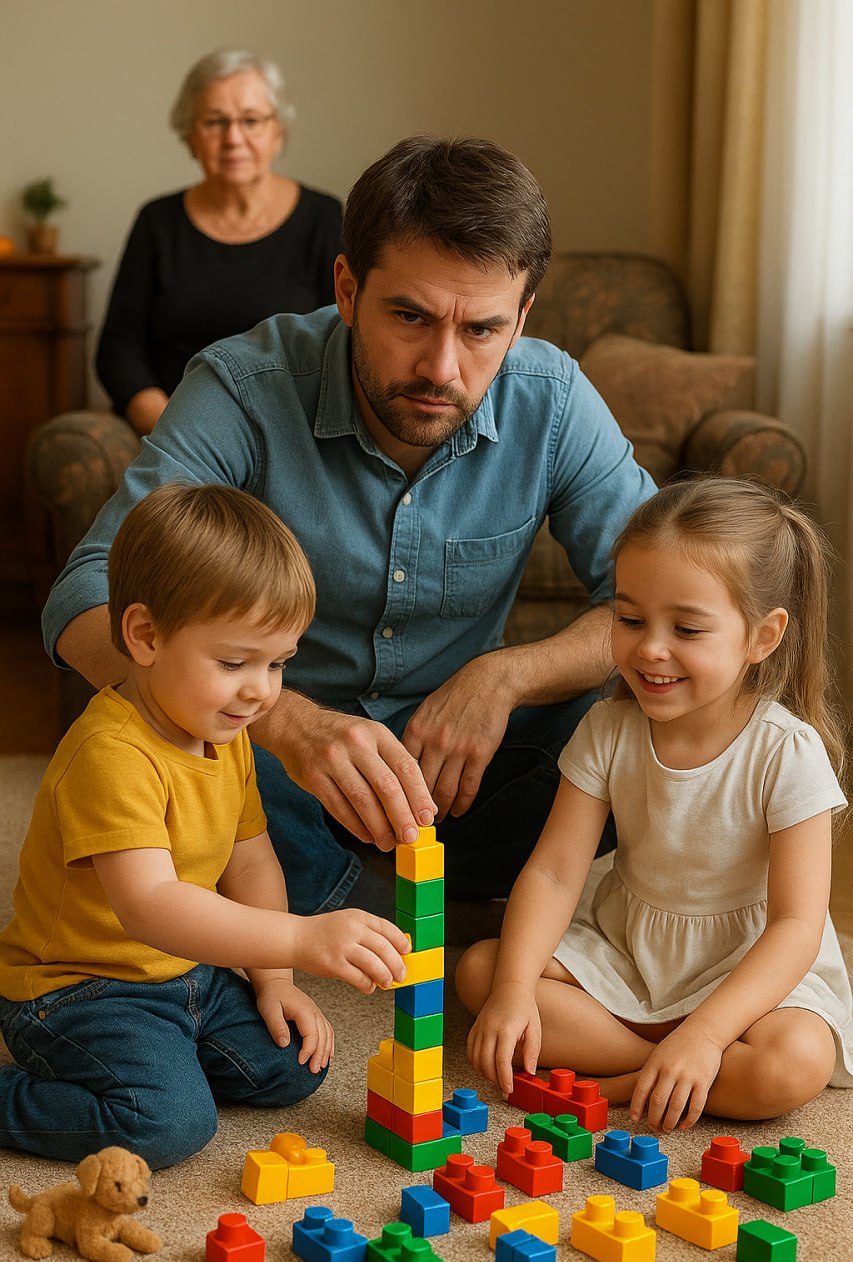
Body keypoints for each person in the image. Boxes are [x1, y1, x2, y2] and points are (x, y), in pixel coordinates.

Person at [43, 135, 656, 916]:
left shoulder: (554, 399)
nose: (441, 367)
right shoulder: (242, 386)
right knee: (162, 744)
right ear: (346, 288)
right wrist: (285, 722)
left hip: (463, 763)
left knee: (637, 718)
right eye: (410, 316)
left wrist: (505, 678)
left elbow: (660, 604)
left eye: (481, 331)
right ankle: (429, 905)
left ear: (521, 316)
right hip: (271, 762)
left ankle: (374, 904)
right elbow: (81, 602)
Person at [0, 485, 409, 1170]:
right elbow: (152, 907)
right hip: (78, 987)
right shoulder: (112, 754)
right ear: (145, 636)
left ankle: (165, 1052)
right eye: (234, 663)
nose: (261, 691)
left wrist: (275, 978)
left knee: (292, 1068)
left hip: (188, 971)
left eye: (277, 663)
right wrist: (302, 937)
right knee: (166, 1124)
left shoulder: (223, 731)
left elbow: (250, 864)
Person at [459, 476, 853, 1132]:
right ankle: (661, 1065)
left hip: (745, 971)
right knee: (481, 974)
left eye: (687, 628)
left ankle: (635, 1075)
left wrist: (704, 1035)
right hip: (628, 950)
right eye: (629, 618)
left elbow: (793, 926)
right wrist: (511, 993)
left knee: (792, 1064)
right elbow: (555, 872)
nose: (649, 648)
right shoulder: (606, 731)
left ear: (761, 637)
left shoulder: (788, 752)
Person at [96, 48, 342, 435]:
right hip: (174, 430)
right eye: (215, 122)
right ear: (190, 136)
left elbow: (344, 339)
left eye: (251, 120)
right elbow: (119, 350)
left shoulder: (323, 218)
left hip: (289, 431)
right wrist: (175, 430)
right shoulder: (157, 222)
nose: (233, 138)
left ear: (278, 132)